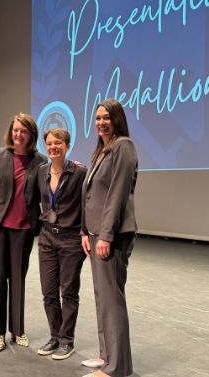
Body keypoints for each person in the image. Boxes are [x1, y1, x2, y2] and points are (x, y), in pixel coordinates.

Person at [0, 113, 47, 352]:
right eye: (15, 130)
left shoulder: (40, 161)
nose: (18, 134)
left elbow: (45, 192)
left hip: (24, 228)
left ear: (31, 135)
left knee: (18, 279)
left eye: (23, 131)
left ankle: (17, 330)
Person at [80, 98, 139, 377]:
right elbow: (90, 196)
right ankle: (106, 355)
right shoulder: (101, 151)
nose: (101, 122)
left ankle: (117, 367)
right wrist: (84, 231)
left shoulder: (123, 146)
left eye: (107, 117)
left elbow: (117, 194)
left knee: (112, 299)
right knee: (101, 296)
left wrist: (105, 235)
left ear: (117, 119)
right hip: (94, 234)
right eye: (97, 118)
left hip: (111, 236)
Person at [35, 129, 87, 361]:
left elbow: (88, 205)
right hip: (47, 238)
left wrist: (85, 233)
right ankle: (55, 335)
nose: (53, 147)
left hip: (70, 239)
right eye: (49, 143)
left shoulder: (80, 172)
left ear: (67, 146)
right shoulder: (41, 172)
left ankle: (67, 340)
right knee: (48, 293)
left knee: (69, 292)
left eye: (58, 143)